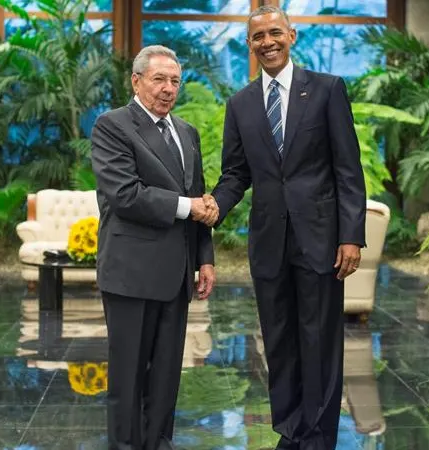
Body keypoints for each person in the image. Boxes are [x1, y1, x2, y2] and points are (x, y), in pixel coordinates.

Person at [208, 6, 367, 449]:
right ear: (250, 45)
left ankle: (318, 435)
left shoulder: (327, 91)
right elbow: (236, 174)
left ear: (292, 35)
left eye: (275, 32)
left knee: (319, 341)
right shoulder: (240, 104)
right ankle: (291, 429)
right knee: (278, 343)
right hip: (269, 242)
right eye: (258, 36)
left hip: (320, 239)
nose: (268, 42)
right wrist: (214, 208)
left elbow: (348, 170)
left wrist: (351, 235)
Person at [90, 44, 217, 450]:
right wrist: (189, 207)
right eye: (158, 79)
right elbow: (126, 195)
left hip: (176, 274)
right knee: (128, 378)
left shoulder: (187, 132)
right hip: (131, 272)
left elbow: (196, 195)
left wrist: (205, 259)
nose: (167, 89)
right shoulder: (112, 126)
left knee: (165, 377)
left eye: (175, 81)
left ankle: (159, 444)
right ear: (136, 81)